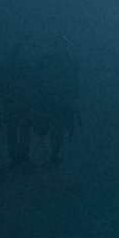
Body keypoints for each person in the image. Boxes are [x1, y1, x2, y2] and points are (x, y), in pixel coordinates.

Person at [32, 38, 79, 166]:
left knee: (58, 128)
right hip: (47, 100)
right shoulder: (46, 60)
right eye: (56, 45)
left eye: (60, 45)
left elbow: (75, 81)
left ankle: (55, 152)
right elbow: (37, 78)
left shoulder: (68, 62)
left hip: (62, 101)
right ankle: (48, 148)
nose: (58, 48)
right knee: (45, 126)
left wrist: (72, 96)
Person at [0, 42, 35, 167]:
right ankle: (18, 156)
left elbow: (32, 84)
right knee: (16, 129)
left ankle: (20, 155)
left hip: (20, 102)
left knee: (21, 129)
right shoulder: (8, 66)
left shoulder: (24, 66)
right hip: (12, 102)